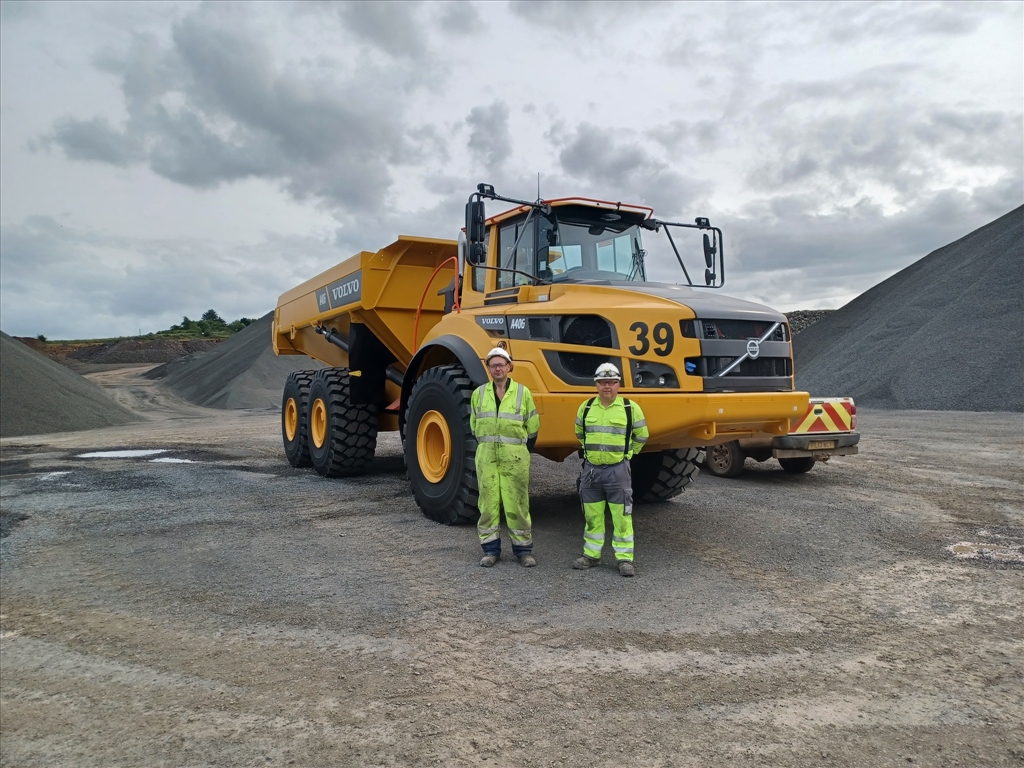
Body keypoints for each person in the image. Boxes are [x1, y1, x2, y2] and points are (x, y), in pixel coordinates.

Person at [573, 362, 649, 577]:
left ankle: (624, 560)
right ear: (596, 385)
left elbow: (642, 436)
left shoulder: (629, 408)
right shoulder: (586, 407)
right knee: (592, 515)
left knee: (621, 516)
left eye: (612, 382)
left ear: (618, 385)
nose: (607, 386)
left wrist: (628, 454)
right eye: (603, 382)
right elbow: (580, 432)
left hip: (618, 470)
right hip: (591, 471)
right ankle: (591, 555)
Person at [470, 347, 541, 568]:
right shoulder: (479, 394)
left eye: (502, 364)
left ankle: (523, 551)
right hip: (487, 458)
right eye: (493, 365)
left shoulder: (523, 393)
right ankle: (490, 550)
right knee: (488, 504)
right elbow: (474, 426)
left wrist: (519, 451)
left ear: (510, 367)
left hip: (515, 459)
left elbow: (533, 428)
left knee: (517, 504)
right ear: (489, 368)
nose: (498, 368)